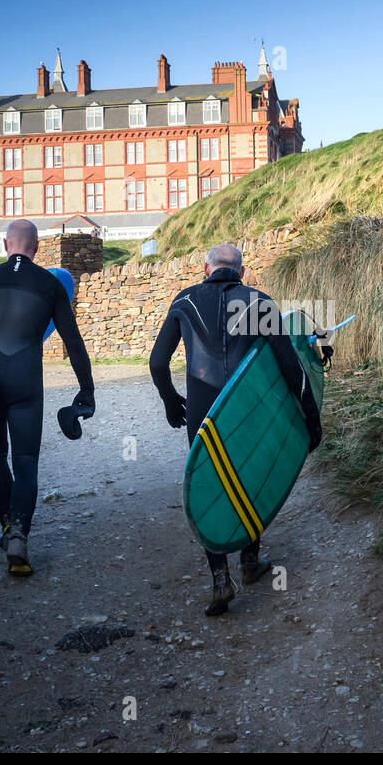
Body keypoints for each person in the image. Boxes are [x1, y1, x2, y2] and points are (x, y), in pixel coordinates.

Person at [149, 242, 321, 616]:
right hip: (246, 407)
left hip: (201, 409)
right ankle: (250, 561)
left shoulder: (185, 300)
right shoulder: (259, 301)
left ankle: (220, 580)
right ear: (241, 273)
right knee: (250, 475)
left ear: (205, 269)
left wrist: (169, 399)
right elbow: (292, 369)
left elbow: (158, 363)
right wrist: (311, 418)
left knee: (210, 481)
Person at [0, 219, 94, 576]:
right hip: (25, 383)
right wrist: (86, 388)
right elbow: (73, 341)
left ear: (6, 246)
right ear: (36, 248)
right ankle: (18, 536)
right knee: (27, 459)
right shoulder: (49, 285)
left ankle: (5, 527)